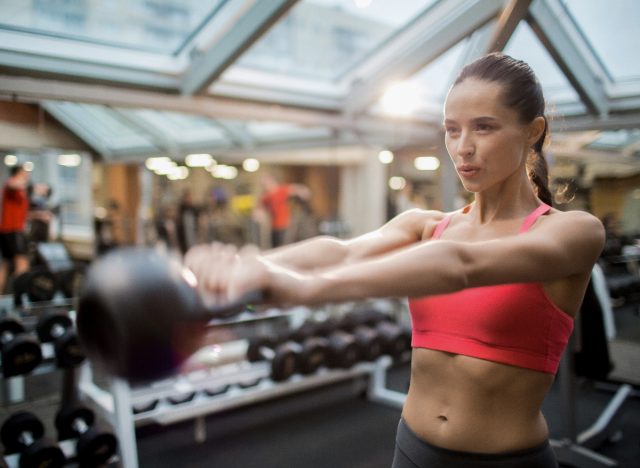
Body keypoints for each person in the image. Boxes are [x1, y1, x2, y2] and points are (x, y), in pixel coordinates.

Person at [185, 53, 605, 468]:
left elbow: (461, 264)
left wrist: (306, 289)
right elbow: (342, 250)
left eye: (484, 127)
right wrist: (251, 264)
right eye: (451, 130)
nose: (463, 148)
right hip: (413, 451)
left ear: (532, 132)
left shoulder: (572, 232)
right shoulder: (427, 225)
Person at [0, 165, 32, 293]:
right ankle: (20, 296)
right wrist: (26, 183)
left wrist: (40, 215)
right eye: (25, 173)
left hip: (11, 230)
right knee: (22, 263)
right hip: (12, 230)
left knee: (7, 263)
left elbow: (22, 211)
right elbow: (12, 184)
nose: (27, 175)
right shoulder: (12, 184)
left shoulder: (21, 191)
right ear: (18, 173)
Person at [259, 173, 311, 248]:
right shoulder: (266, 197)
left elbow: (296, 189)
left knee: (284, 245)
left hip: (284, 224)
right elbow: (260, 207)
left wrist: (304, 191)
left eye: (265, 183)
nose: (264, 185)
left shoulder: (281, 190)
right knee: (275, 246)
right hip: (273, 226)